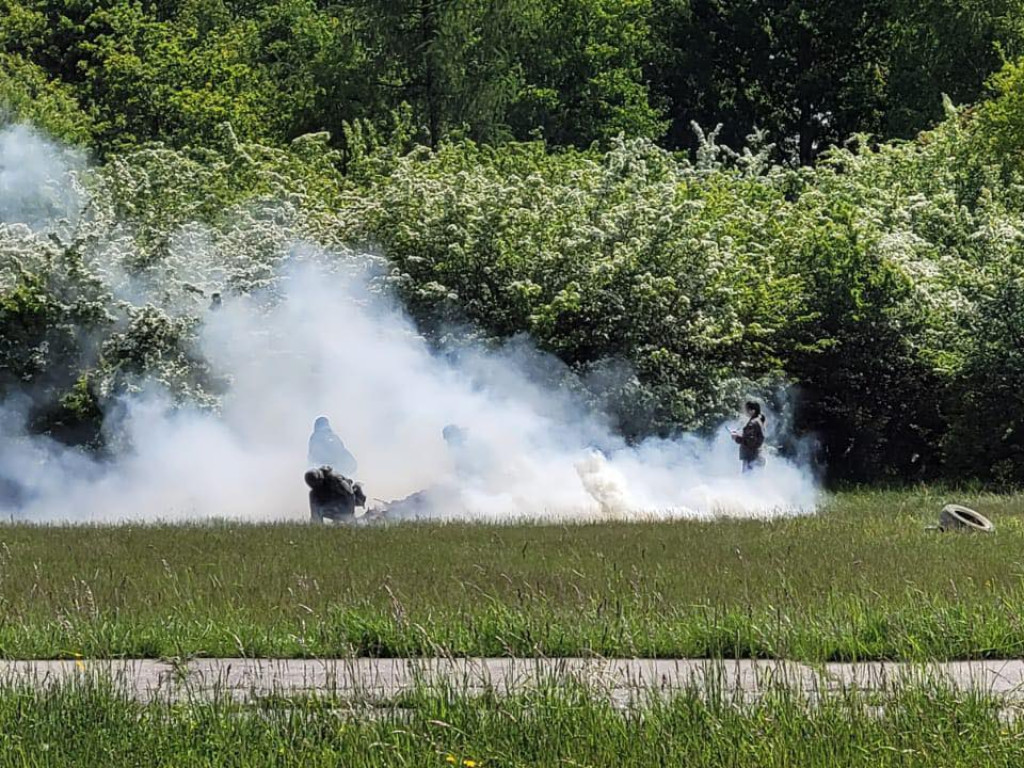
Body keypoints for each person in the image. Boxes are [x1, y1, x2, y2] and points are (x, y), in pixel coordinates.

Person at [731, 401, 766, 473]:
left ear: (753, 411)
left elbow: (750, 441)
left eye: (747, 409)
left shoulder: (753, 423)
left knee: (748, 480)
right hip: (755, 456)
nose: (745, 411)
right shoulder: (758, 421)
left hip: (751, 457)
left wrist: (736, 438)